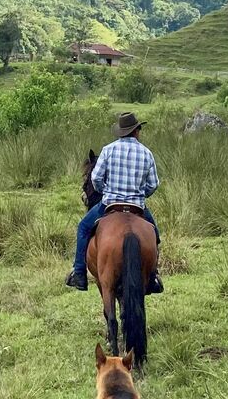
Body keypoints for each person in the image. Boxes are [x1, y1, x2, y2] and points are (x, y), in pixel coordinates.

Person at [66, 111, 163, 294]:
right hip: (137, 206)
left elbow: (95, 179)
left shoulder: (108, 150)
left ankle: (79, 273)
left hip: (110, 204)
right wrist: (141, 194)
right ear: (136, 131)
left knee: (83, 228)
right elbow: (153, 184)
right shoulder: (147, 153)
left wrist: (106, 191)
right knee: (155, 234)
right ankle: (153, 277)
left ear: (121, 131)